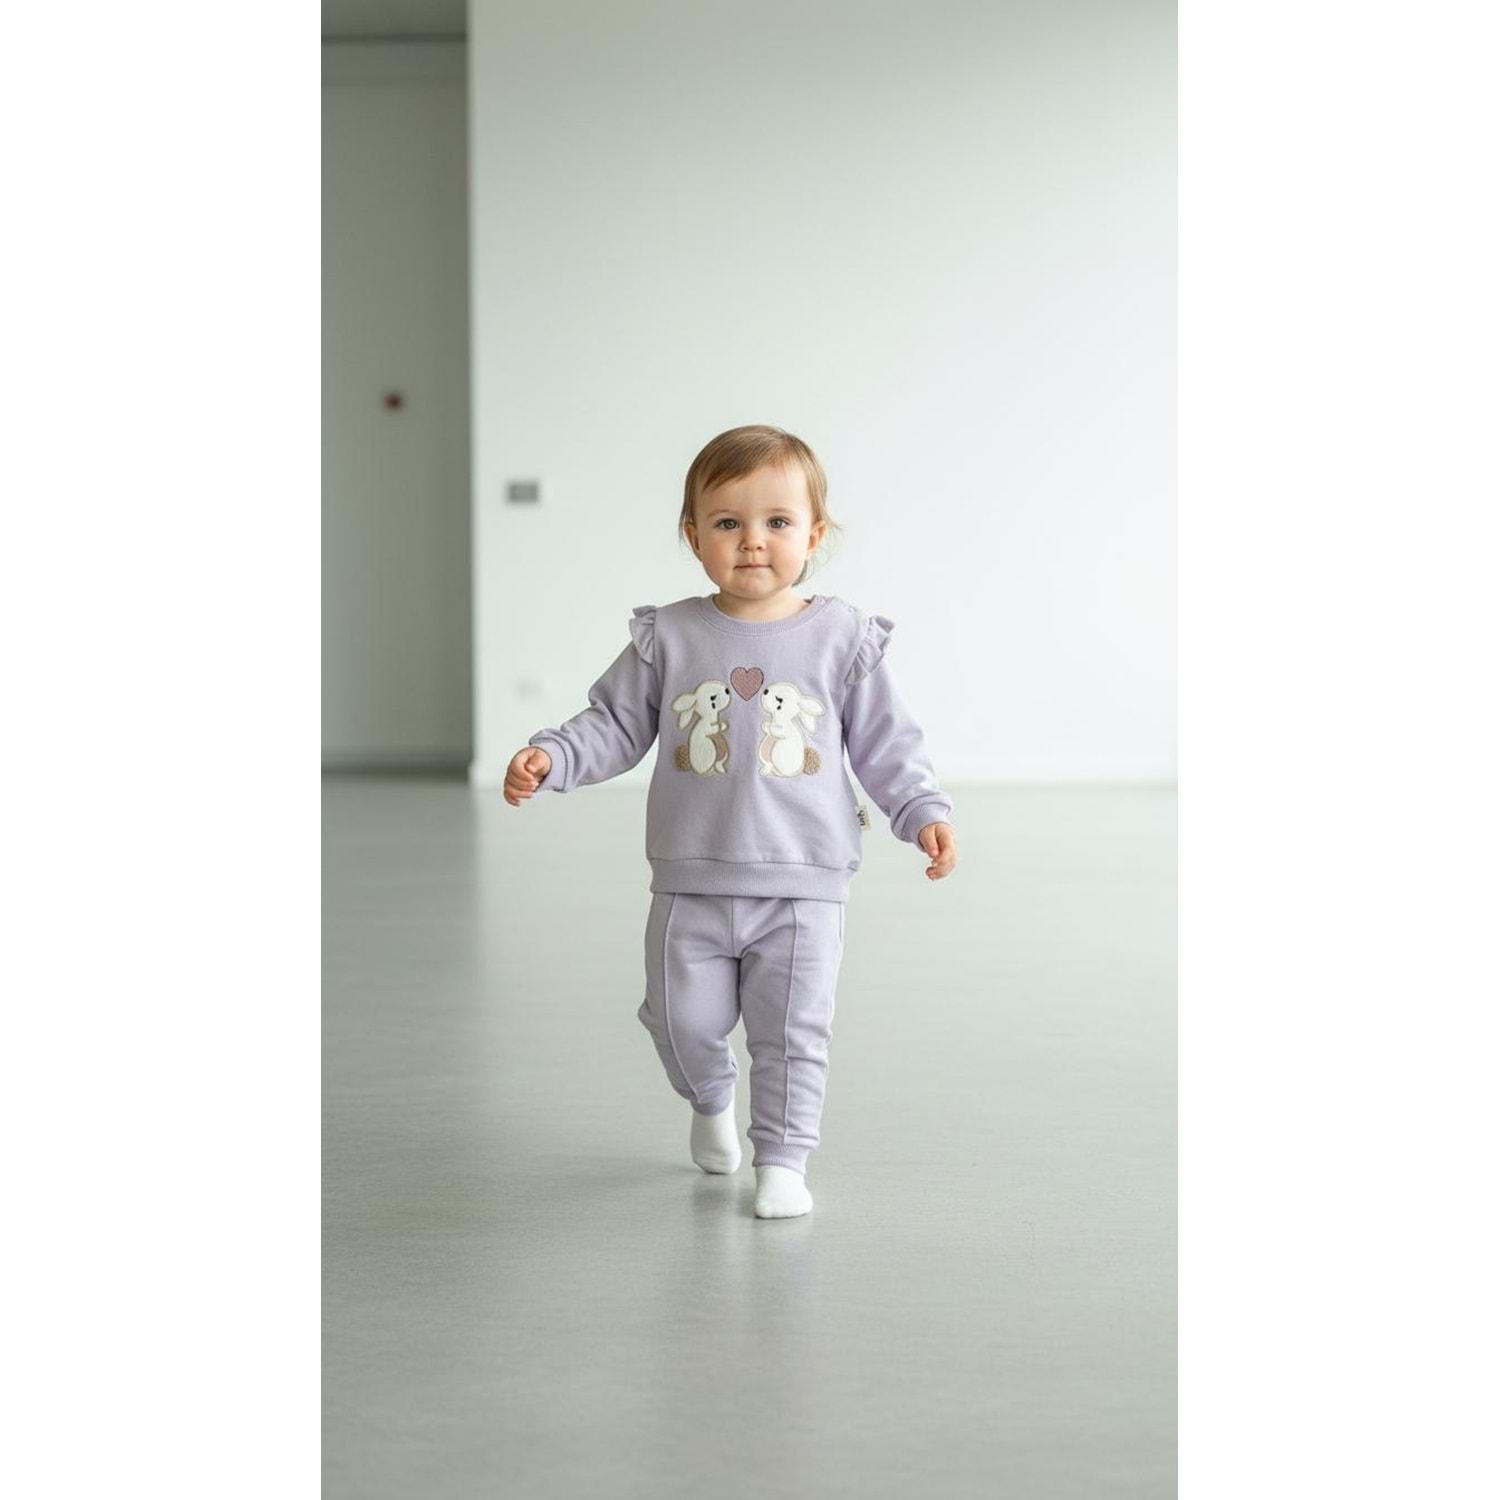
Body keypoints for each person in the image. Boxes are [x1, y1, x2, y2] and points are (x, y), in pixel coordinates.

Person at [504, 424, 958, 1219]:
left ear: (814, 535)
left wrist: (920, 810)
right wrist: (555, 756)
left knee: (792, 1033)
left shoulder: (842, 639)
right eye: (727, 522)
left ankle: (783, 1161)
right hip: (693, 877)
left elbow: (887, 743)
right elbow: (614, 724)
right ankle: (710, 1098)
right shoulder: (671, 636)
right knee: (680, 1020)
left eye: (777, 522)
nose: (753, 541)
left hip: (804, 882)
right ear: (693, 536)